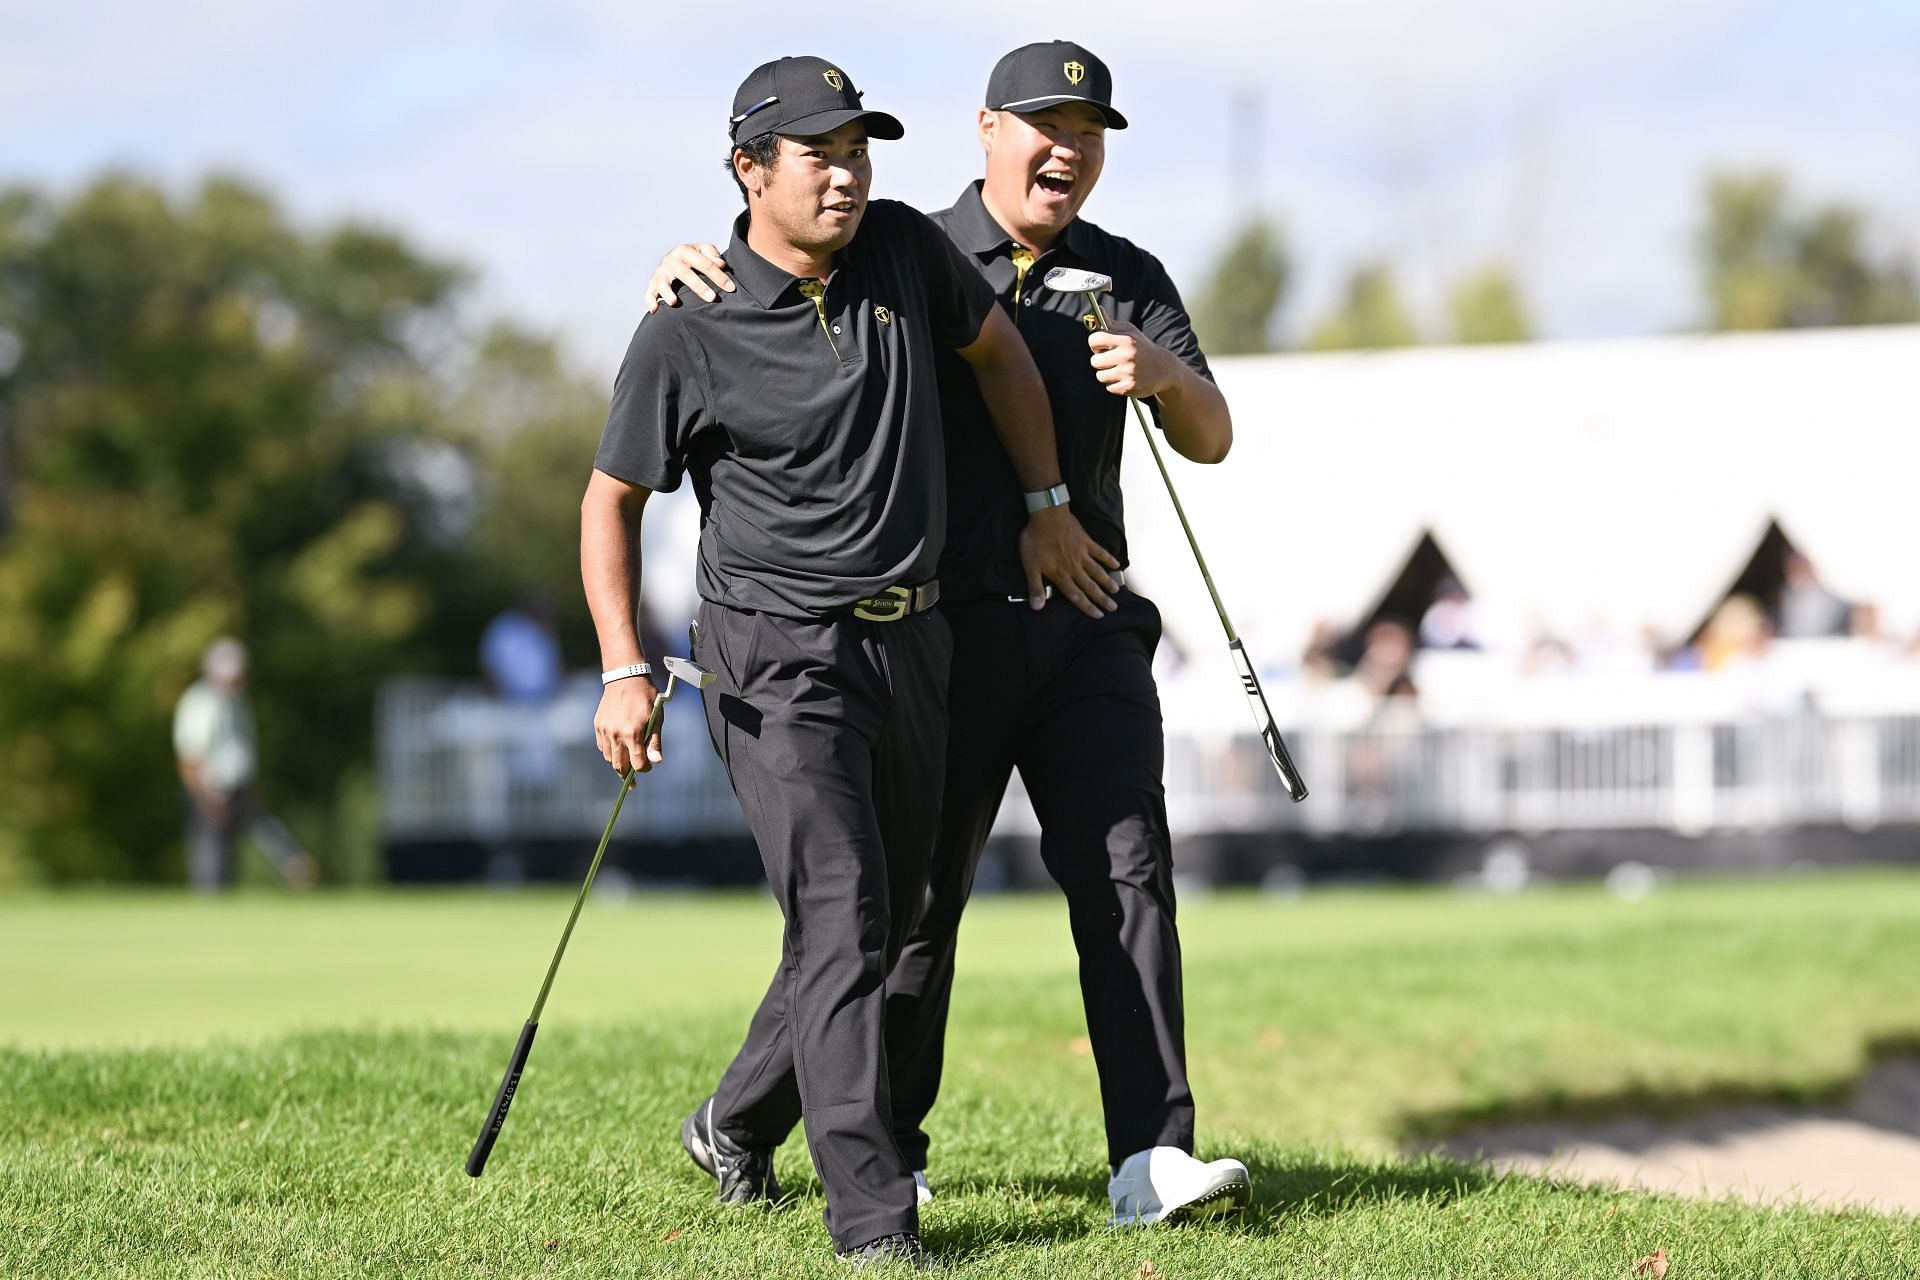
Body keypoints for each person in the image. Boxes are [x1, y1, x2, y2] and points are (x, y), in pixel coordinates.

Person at [646, 41, 1252, 1227]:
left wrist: (1165, 376)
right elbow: (770, 289)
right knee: (907, 909)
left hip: (1086, 625)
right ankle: (831, 1135)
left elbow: (1215, 434)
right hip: (937, 631)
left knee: (1127, 872)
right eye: (1045, 123)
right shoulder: (901, 250)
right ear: (987, 130)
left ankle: (1150, 1154)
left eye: (1089, 131)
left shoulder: (1125, 274)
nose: (1067, 148)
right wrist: (687, 264)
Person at [581, 55, 1108, 1269]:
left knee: (902, 911)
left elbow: (1004, 359)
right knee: (843, 910)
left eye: (860, 148)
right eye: (821, 153)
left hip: (914, 636)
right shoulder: (686, 324)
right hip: (777, 657)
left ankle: (733, 1120)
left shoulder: (907, 253)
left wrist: (1043, 498)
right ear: (749, 170)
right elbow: (609, 501)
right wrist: (621, 662)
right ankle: (874, 1216)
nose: (848, 173)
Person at [173, 637, 314, 891]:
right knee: (212, 860)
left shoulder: (238, 702)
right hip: (209, 792)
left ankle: (294, 864)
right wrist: (206, 797)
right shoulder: (201, 702)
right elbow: (191, 757)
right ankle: (208, 907)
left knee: (245, 842)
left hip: (237, 787)